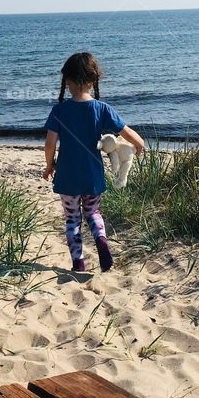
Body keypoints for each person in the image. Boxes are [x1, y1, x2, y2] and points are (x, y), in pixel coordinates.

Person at [42, 53, 144, 273]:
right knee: (93, 213)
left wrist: (49, 166)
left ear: (67, 81)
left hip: (67, 176)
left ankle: (78, 263)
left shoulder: (59, 110)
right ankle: (100, 239)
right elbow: (125, 132)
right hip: (93, 175)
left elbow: (50, 144)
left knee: (72, 219)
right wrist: (139, 143)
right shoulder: (102, 109)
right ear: (92, 80)